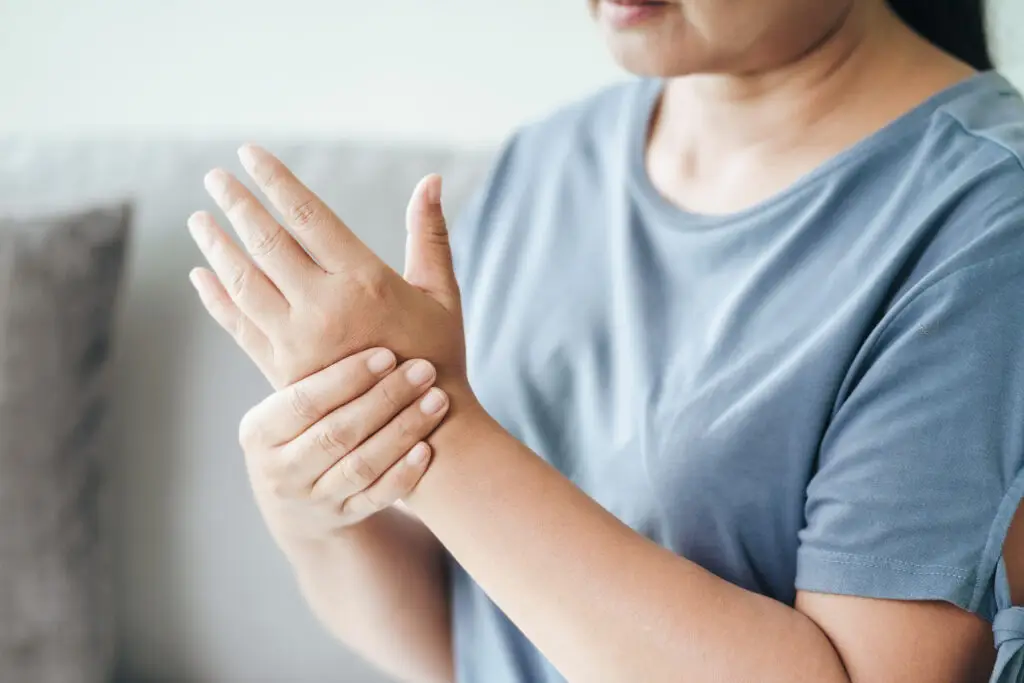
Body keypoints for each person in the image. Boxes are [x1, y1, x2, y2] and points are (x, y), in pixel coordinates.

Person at [185, 0, 1024, 681]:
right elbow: (472, 645)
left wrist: (437, 429)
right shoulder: (543, 166)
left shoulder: (984, 225)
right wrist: (321, 503)